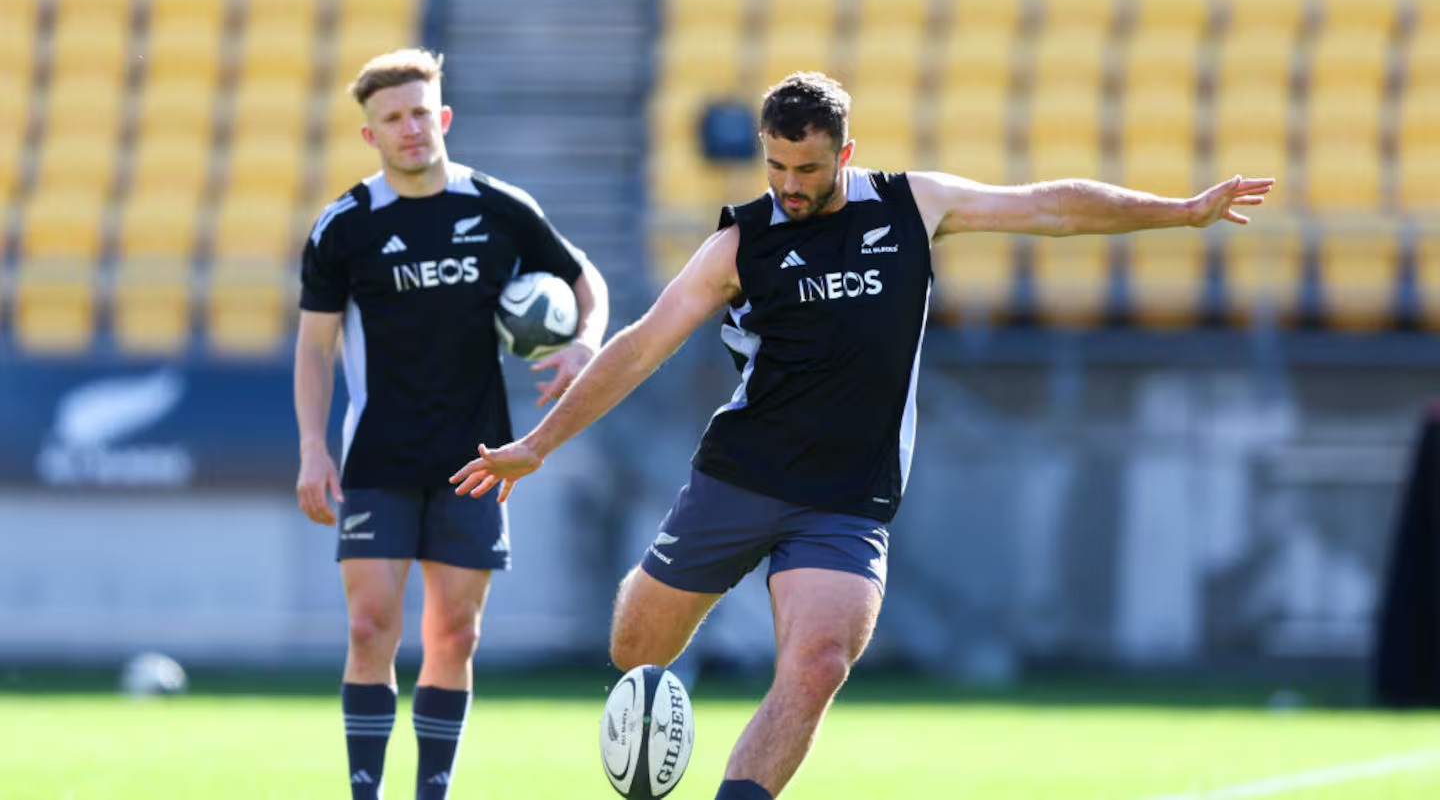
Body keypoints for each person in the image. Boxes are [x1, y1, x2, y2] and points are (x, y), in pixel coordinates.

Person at [449, 71, 1272, 799]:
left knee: (817, 666)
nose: (790, 186)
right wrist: (540, 443)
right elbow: (640, 345)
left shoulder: (914, 203)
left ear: (847, 153)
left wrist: (1182, 212)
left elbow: (1048, 206)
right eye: (775, 166)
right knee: (637, 650)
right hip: (739, 475)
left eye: (807, 169)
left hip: (846, 499)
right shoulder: (741, 241)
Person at [293, 48, 609, 800]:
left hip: (478, 458)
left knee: (456, 635)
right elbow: (314, 345)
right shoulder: (345, 225)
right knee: (372, 629)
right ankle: (365, 791)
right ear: (370, 135)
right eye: (392, 118)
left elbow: (583, 278)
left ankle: (431, 792)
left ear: (444, 116)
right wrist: (312, 445)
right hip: (378, 456)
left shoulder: (498, 206)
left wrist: (585, 344)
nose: (410, 128)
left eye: (419, 112)